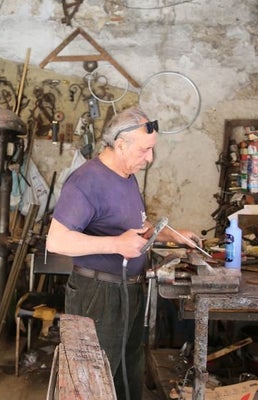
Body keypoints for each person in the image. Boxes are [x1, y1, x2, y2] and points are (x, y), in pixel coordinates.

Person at [46, 106, 201, 400]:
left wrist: (175, 236)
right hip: (98, 294)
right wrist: (116, 244)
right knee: (94, 382)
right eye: (145, 150)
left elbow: (138, 225)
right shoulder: (86, 181)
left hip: (129, 292)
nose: (150, 158)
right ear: (120, 144)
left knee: (127, 373)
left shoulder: (126, 175)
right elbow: (56, 241)